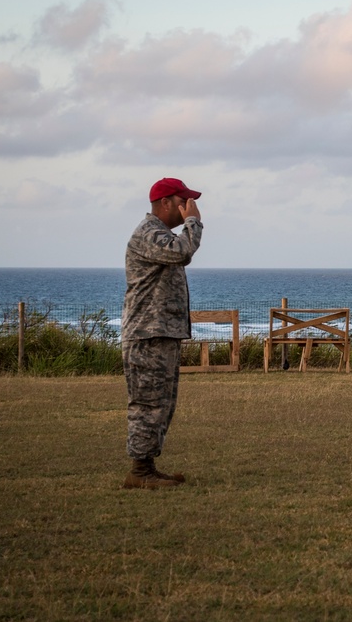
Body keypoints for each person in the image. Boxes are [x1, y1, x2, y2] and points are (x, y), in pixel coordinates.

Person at [121, 177, 203, 489]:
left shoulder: (158, 235)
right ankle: (140, 472)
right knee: (147, 403)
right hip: (147, 335)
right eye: (184, 202)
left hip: (159, 333)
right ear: (166, 202)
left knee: (162, 403)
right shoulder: (148, 234)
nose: (188, 207)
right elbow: (183, 251)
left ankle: (148, 467)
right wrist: (193, 222)